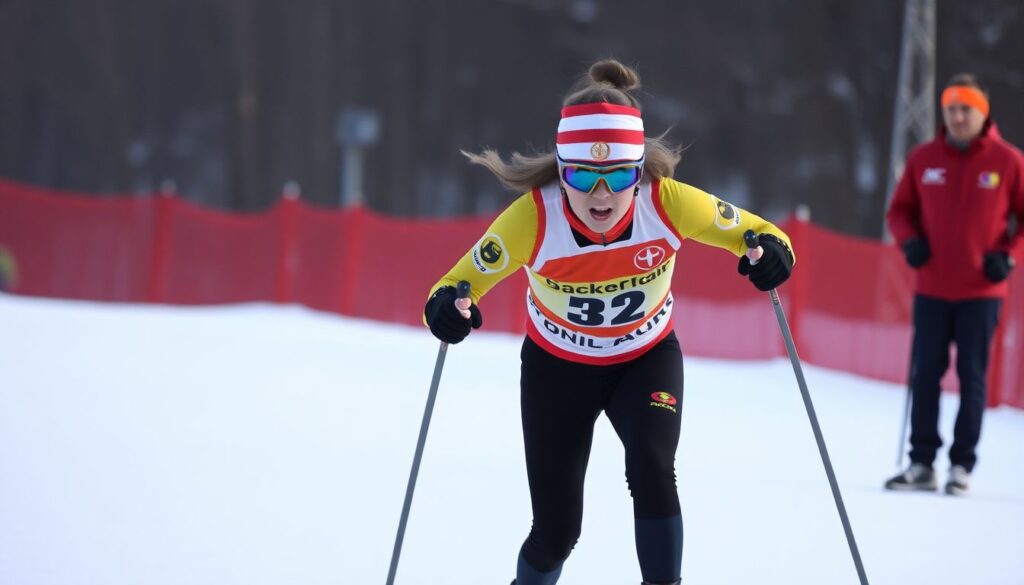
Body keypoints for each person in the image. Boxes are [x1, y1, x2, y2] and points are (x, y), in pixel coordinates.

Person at [423, 60, 794, 585]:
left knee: (652, 466)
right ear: (562, 170)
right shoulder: (533, 217)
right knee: (556, 532)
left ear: (640, 169)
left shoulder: (668, 203)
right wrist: (446, 311)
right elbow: (452, 287)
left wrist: (773, 254)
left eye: (619, 175)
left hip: (645, 361)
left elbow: (762, 234)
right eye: (582, 176)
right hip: (557, 370)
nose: (601, 194)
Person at [885, 73, 1024, 496]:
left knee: (972, 375)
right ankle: (922, 462)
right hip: (932, 286)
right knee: (925, 374)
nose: (958, 116)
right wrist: (910, 243)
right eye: (951, 109)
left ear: (983, 113)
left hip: (981, 291)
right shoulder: (924, 157)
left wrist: (1009, 255)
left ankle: (961, 465)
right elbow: (899, 212)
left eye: (967, 109)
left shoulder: (1008, 161)